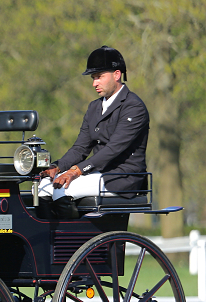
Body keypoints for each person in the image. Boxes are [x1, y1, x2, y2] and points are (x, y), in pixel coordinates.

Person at [38, 46, 149, 216]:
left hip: (122, 178)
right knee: (44, 186)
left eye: (99, 77)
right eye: (93, 78)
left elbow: (113, 149)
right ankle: (50, 240)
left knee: (59, 189)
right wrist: (57, 167)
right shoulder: (94, 107)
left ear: (117, 75)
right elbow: (80, 148)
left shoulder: (133, 107)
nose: (94, 83)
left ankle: (71, 238)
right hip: (98, 173)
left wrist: (76, 171)